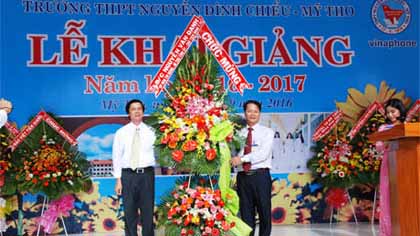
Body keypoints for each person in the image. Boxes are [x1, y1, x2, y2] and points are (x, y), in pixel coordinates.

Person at [112, 99, 156, 236]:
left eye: (139, 109)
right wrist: (118, 179)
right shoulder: (121, 132)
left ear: (143, 112)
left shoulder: (152, 132)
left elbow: (161, 153)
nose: (136, 111)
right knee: (130, 212)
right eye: (133, 109)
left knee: (147, 211)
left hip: (147, 175)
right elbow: (116, 156)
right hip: (128, 175)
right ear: (129, 113)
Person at [231, 100, 274, 236]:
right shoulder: (237, 133)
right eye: (249, 111)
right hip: (243, 177)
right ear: (245, 113)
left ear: (259, 113)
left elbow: (263, 154)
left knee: (264, 213)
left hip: (261, 177)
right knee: (246, 214)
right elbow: (233, 154)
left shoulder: (267, 132)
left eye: (255, 111)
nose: (252, 114)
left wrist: (242, 159)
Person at [376, 98, 407, 236]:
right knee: (388, 194)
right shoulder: (383, 128)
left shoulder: (407, 127)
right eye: (388, 113)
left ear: (400, 111)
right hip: (389, 163)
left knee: (404, 194)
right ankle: (388, 231)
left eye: (393, 112)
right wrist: (386, 141)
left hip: (405, 164)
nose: (390, 115)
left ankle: (407, 227)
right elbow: (378, 147)